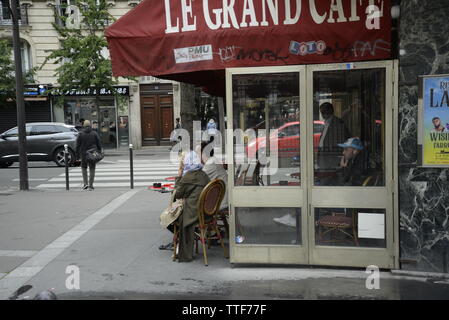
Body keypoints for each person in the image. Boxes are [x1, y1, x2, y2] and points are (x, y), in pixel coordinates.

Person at [172, 150, 210, 262]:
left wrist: (179, 177)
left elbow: (177, 194)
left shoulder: (187, 177)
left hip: (193, 212)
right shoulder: (203, 175)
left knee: (171, 218)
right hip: (207, 212)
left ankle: (179, 246)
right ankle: (178, 245)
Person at [200, 141, 228, 210]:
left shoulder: (210, 164)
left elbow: (198, 180)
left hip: (220, 202)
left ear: (203, 154)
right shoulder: (212, 160)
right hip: (221, 197)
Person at [75, 120, 102, 191]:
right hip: (92, 154)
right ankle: (91, 186)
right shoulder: (94, 133)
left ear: (83, 126)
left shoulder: (81, 134)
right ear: (90, 125)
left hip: (83, 154)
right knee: (92, 169)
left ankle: (85, 184)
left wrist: (77, 155)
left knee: (84, 168)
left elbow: (77, 146)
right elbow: (99, 143)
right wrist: (99, 150)